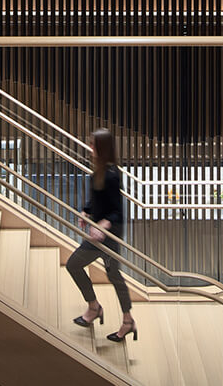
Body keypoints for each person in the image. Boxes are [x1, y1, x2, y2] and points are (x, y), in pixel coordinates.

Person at [66, 128, 137, 342]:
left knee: (74, 265)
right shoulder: (99, 170)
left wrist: (103, 224)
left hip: (106, 236)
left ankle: (95, 308)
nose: (90, 148)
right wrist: (86, 210)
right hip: (100, 233)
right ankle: (126, 320)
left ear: (102, 148)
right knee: (114, 275)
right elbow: (97, 199)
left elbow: (116, 209)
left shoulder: (112, 174)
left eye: (93, 145)